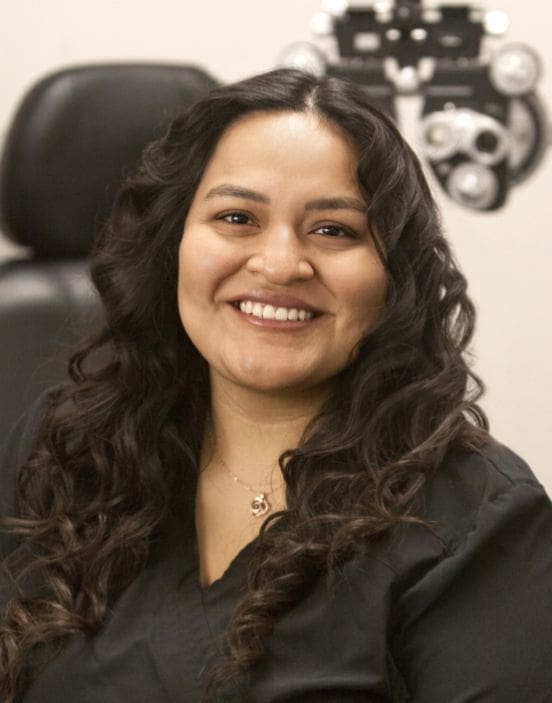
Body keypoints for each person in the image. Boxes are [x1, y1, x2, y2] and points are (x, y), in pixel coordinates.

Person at [1, 68, 551, 703]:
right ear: (173, 244)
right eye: (237, 217)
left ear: (394, 274)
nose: (280, 264)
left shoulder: (474, 519)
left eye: (334, 230)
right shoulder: (70, 446)